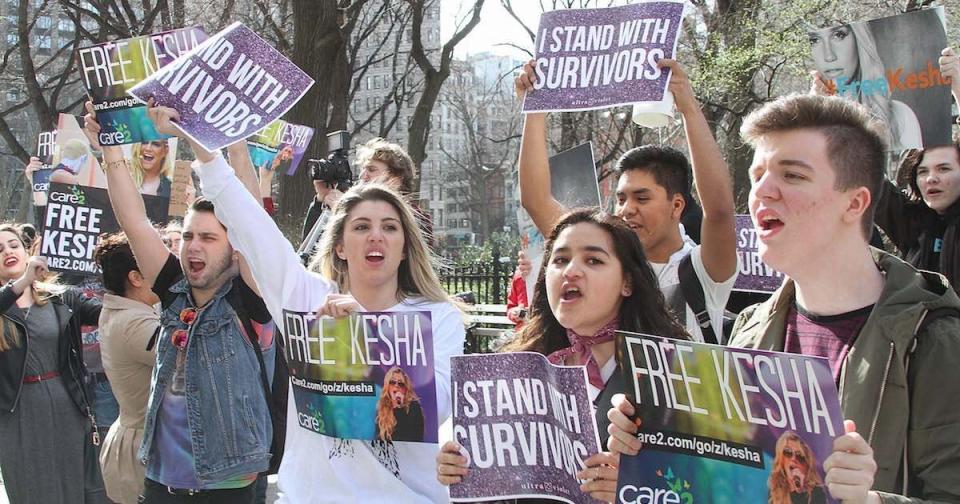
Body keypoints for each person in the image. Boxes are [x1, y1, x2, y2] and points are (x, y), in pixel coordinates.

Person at [608, 94, 960, 503]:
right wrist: (652, 445)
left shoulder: (934, 339)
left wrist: (871, 501)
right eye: (758, 175)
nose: (762, 193)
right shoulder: (750, 328)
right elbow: (728, 486)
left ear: (856, 202)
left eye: (792, 175)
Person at [146, 103, 465, 503]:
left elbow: (436, 406)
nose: (376, 237)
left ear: (404, 247)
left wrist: (360, 335)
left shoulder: (439, 316)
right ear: (341, 247)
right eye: (361, 227)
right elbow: (251, 226)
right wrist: (202, 143)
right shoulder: (306, 297)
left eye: (389, 228)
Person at [85, 104, 274, 503]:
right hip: (160, 482)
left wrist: (231, 142)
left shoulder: (250, 299)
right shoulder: (172, 290)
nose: (193, 246)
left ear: (235, 247)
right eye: (189, 237)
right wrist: (111, 148)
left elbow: (254, 222)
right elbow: (135, 221)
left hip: (226, 486)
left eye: (208, 238)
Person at [436, 208, 689, 503]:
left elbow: (700, 487)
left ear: (628, 282)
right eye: (560, 260)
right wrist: (454, 464)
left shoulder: (671, 373)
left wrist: (637, 488)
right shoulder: (515, 366)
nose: (570, 271)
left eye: (593, 260)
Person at [515, 59, 738, 344]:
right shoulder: (605, 254)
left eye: (642, 198)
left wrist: (689, 109)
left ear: (677, 206)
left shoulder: (701, 270)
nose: (626, 209)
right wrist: (535, 110)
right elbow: (535, 200)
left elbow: (719, 212)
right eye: (620, 198)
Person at [0, 224, 107, 503]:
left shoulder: (61, 297)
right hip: (17, 412)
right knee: (33, 490)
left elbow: (107, 315)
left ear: (27, 251)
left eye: (13, 245)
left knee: (74, 487)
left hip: (66, 402)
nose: (7, 252)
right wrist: (22, 281)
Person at [870, 48, 960, 290]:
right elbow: (863, 171)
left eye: (944, 169)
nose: (931, 178)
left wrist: (958, 88)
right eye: (923, 172)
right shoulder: (911, 222)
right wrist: (826, 109)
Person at [94, 232, 160, 504]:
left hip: (138, 445)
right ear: (135, 278)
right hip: (142, 454)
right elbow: (187, 354)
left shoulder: (130, 311)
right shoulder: (134, 323)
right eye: (156, 262)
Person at [301, 137, 434, 250]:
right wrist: (321, 201)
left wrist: (343, 213)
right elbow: (310, 252)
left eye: (371, 169)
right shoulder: (355, 207)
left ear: (395, 179)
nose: (363, 176)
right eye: (362, 169)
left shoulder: (415, 219)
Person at [808, 23, 921, 151]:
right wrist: (812, 111)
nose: (829, 56)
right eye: (814, 40)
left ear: (859, 39)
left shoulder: (900, 115)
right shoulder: (810, 119)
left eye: (839, 35)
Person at [768, 431, 828, 504]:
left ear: (806, 466)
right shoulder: (775, 492)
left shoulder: (817, 493)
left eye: (800, 456)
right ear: (781, 460)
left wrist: (800, 491)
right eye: (788, 452)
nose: (793, 458)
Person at [375, 366, 424, 443]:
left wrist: (399, 407)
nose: (396, 385)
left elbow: (415, 438)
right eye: (392, 382)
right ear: (387, 386)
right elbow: (378, 439)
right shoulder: (382, 408)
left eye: (400, 383)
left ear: (405, 388)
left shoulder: (414, 406)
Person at [505, 250, 532, 329]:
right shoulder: (518, 276)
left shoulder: (550, 276)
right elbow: (510, 307)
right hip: (522, 332)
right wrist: (514, 313)